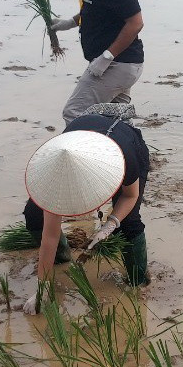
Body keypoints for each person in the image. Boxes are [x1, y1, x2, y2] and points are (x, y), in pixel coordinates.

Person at [22, 102, 151, 314]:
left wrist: (110, 224)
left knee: (129, 223)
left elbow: (130, 195)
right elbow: (50, 235)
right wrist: (42, 288)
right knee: (34, 215)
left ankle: (138, 281)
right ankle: (61, 260)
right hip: (77, 141)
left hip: (123, 140)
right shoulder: (55, 170)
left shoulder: (125, 156)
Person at [44, 0, 145, 125]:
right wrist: (70, 23)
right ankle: (129, 151)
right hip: (119, 63)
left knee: (75, 113)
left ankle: (88, 155)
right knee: (118, 117)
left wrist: (107, 57)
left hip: (118, 63)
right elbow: (96, 10)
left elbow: (135, 23)